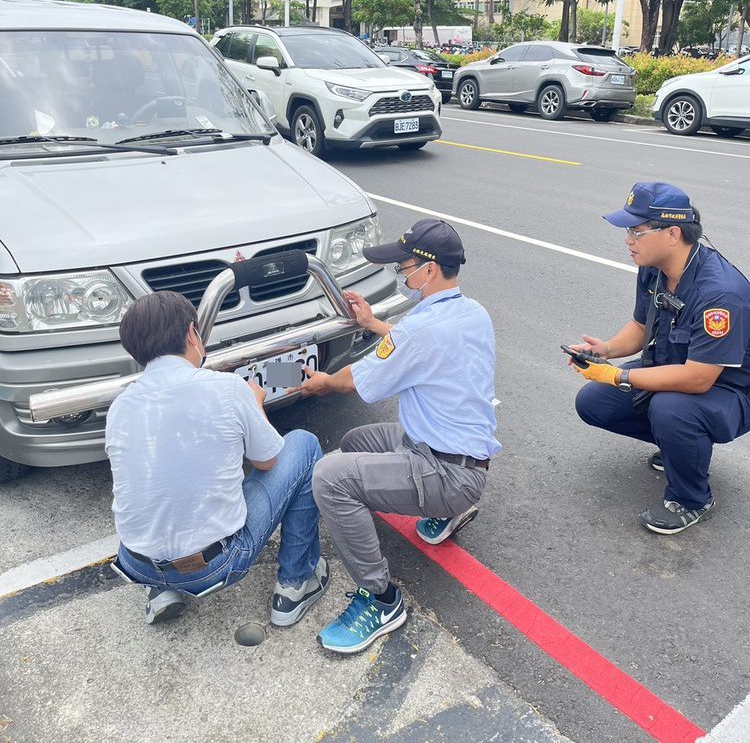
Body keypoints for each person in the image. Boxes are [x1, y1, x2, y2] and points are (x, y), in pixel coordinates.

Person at [294, 218, 500, 654]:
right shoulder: (470, 313)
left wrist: (321, 383)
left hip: (446, 473)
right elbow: (415, 346)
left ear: (428, 270)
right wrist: (372, 324)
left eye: (403, 267)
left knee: (330, 477)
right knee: (356, 442)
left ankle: (382, 600)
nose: (399, 275)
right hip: (458, 457)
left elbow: (356, 380)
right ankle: (446, 512)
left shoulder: (420, 331)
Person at [105, 290, 328, 625]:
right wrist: (254, 404)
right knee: (304, 445)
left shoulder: (120, 406)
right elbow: (268, 461)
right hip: (213, 567)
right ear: (192, 334)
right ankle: (297, 583)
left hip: (134, 563)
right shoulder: (227, 388)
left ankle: (160, 589)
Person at [571, 182, 750, 534]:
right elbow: (641, 326)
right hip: (674, 369)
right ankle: (682, 450)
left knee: (671, 409)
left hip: (729, 391)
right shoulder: (654, 266)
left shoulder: (720, 294)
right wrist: (604, 350)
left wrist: (618, 376)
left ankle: (691, 499)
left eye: (636, 231)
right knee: (593, 402)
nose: (628, 240)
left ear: (672, 233)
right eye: (628, 231)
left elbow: (698, 379)